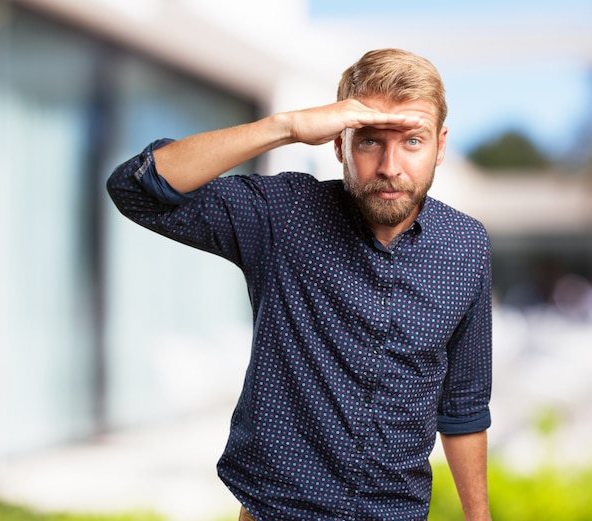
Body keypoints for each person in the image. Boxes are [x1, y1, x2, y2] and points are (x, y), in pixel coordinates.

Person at [107, 48, 492, 521]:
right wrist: (285, 126)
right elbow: (136, 188)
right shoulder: (284, 214)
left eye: (412, 141)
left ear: (441, 145)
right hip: (279, 510)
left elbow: (464, 404)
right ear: (338, 144)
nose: (391, 166)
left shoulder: (467, 246)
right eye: (370, 141)